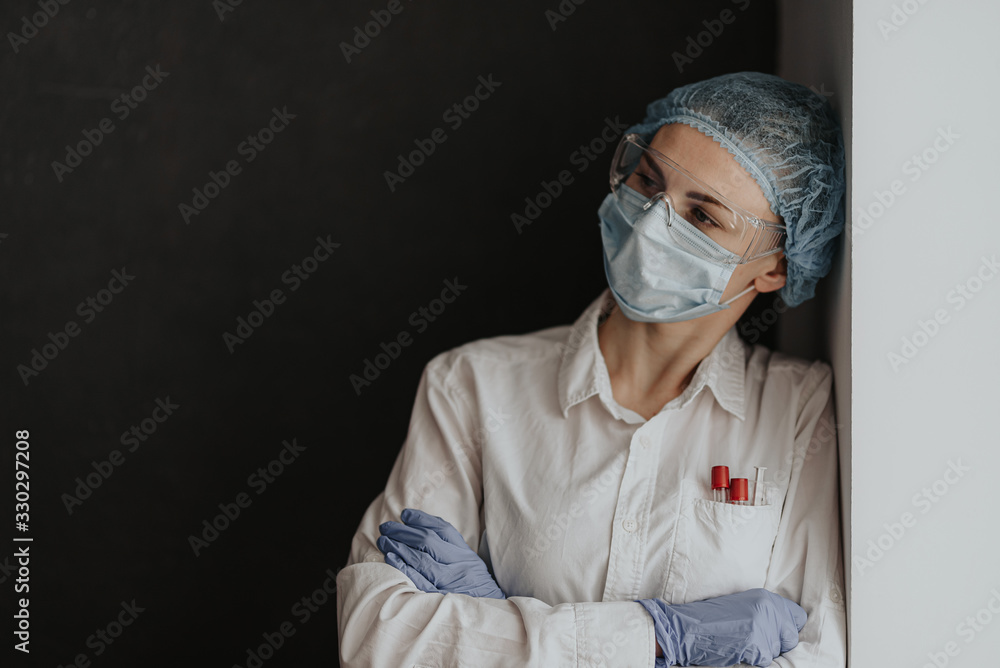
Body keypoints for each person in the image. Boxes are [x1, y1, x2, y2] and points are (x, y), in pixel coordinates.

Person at [336, 71, 847, 667]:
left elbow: (813, 657)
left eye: (703, 217)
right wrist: (661, 639)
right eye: (647, 180)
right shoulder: (472, 385)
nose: (652, 222)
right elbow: (381, 639)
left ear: (775, 268)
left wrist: (494, 630)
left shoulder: (798, 413)